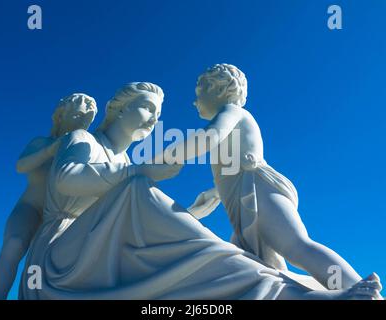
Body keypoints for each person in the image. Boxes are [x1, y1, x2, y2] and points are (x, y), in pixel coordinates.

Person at [19, 82, 380, 300]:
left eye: (158, 114)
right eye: (146, 107)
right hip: (59, 256)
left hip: (98, 250)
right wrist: (141, 169)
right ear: (118, 108)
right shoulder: (82, 139)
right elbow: (67, 179)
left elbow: (132, 226)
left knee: (197, 255)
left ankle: (283, 289)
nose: (153, 120)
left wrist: (191, 212)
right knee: (141, 191)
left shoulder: (125, 161)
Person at [156, 64, 383, 298]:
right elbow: (231, 166)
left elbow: (209, 137)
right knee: (250, 270)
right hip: (244, 202)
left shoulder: (232, 111)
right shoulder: (232, 116)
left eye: (198, 93)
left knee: (295, 245)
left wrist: (161, 159)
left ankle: (356, 288)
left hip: (257, 189)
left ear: (219, 88)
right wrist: (216, 192)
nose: (194, 102)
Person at [0, 93, 97, 300]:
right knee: (15, 243)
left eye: (86, 119)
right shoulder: (42, 142)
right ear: (60, 115)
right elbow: (21, 166)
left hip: (61, 216)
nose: (82, 122)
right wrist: (51, 149)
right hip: (31, 207)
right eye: (77, 116)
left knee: (56, 262)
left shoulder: (84, 150)